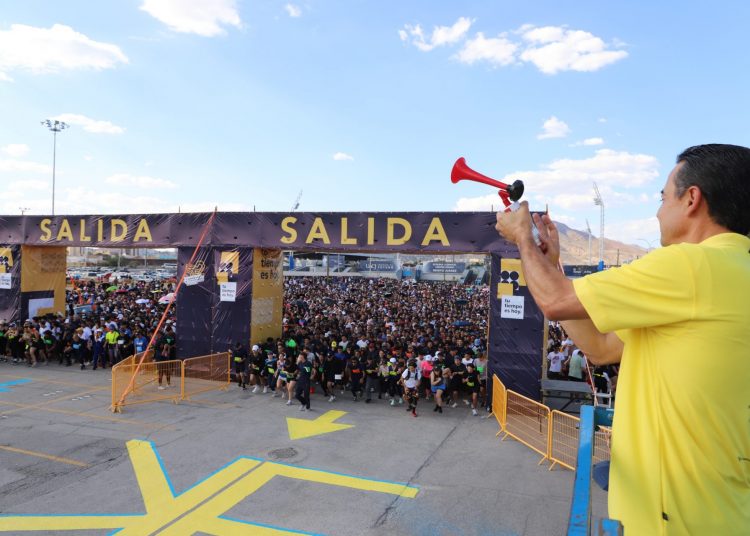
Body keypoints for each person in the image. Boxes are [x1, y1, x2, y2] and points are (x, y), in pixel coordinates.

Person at [495, 144, 750, 535]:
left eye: (663, 198)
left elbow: (556, 302)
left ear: (692, 199)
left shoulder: (691, 265)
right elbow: (600, 347)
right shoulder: (729, 272)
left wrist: (522, 240)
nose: (658, 212)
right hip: (721, 512)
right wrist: (551, 266)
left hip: (675, 522)